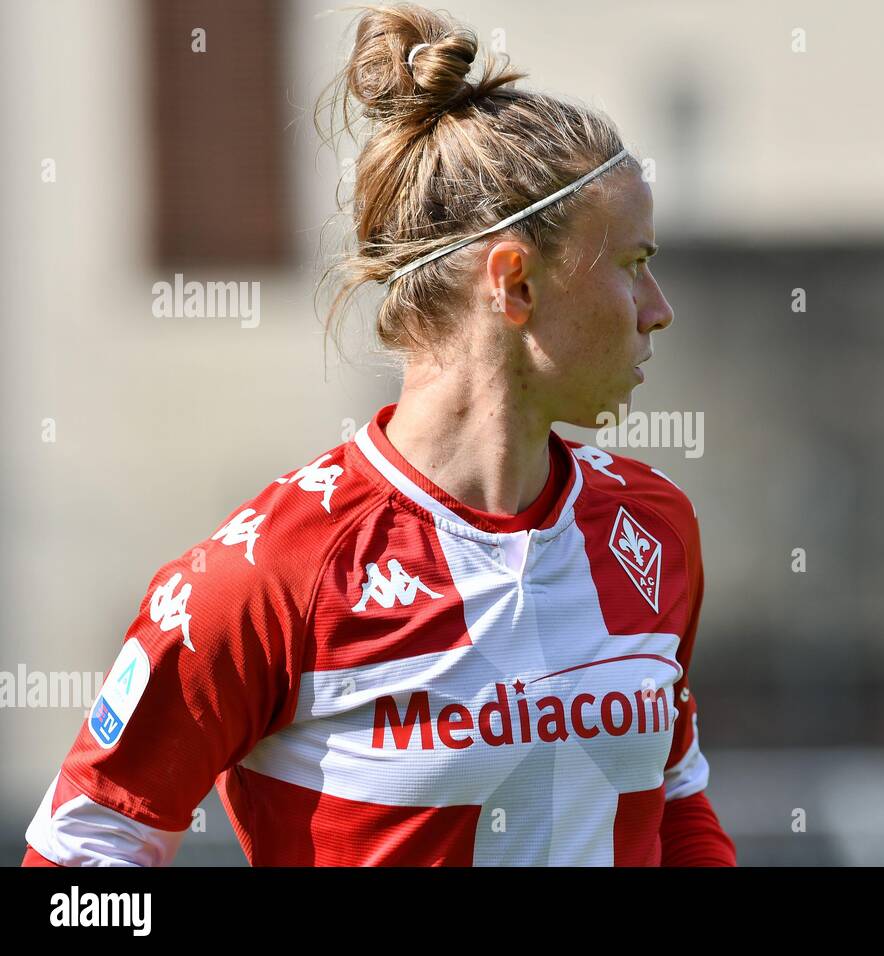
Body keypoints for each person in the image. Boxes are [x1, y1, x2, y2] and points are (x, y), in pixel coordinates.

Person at [21, 3, 735, 867]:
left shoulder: (653, 528)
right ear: (513, 283)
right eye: (630, 266)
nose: (660, 311)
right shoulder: (265, 576)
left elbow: (678, 808)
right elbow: (83, 853)